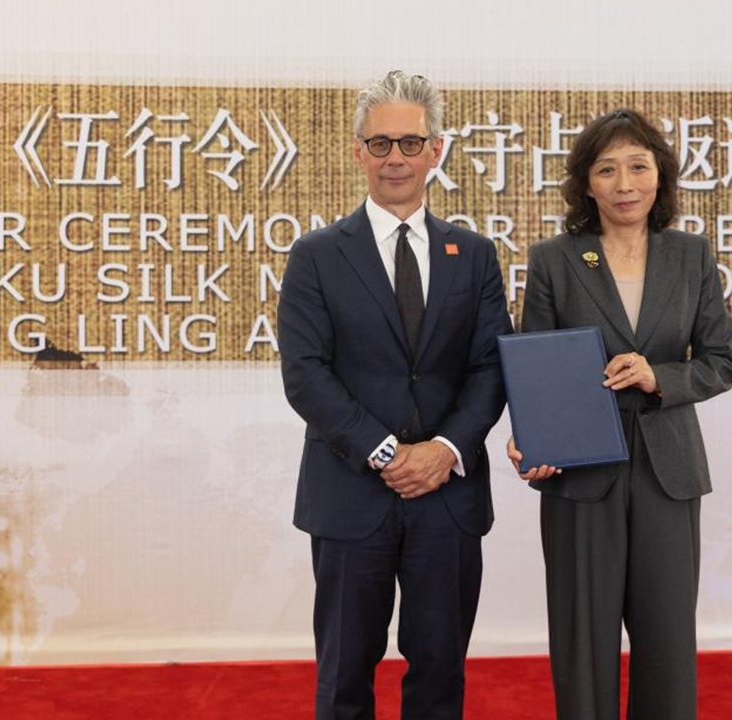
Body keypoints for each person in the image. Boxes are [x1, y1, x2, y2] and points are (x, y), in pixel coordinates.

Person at [279, 70, 512, 720]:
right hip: (351, 495)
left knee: (440, 673)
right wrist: (385, 452)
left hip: (449, 498)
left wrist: (443, 449)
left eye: (410, 144)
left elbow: (490, 368)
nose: (395, 159)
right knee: (344, 675)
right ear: (358, 152)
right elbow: (305, 373)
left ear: (437, 149)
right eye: (380, 144)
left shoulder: (475, 255)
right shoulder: (317, 255)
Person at [507, 108, 732, 720]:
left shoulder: (690, 255)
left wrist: (658, 375)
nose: (625, 183)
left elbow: (720, 362)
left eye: (639, 166)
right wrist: (529, 435)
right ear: (587, 183)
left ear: (660, 176)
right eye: (607, 170)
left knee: (666, 637)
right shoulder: (557, 258)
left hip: (669, 471)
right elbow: (537, 363)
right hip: (581, 469)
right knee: (582, 639)